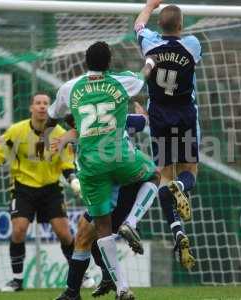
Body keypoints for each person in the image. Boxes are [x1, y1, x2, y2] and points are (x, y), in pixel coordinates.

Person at [45, 41, 159, 300]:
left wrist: (53, 136)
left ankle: (113, 286)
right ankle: (129, 229)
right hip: (119, 161)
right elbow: (143, 79)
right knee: (153, 175)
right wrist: (151, 61)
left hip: (93, 169)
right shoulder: (121, 83)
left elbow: (52, 119)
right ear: (109, 63)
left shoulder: (69, 89)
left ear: (85, 62)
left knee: (96, 229)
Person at [0, 92, 81, 292]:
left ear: (51, 107)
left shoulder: (59, 133)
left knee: (64, 234)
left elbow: (66, 162)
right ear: (31, 107)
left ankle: (81, 275)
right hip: (23, 188)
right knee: (19, 229)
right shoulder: (16, 130)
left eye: (46, 103)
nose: (42, 106)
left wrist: (73, 179)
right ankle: (17, 280)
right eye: (38, 103)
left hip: (51, 188)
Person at [52, 113, 155, 300]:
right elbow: (141, 121)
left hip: (116, 194)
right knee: (85, 236)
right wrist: (145, 114)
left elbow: (75, 134)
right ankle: (99, 282)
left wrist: (65, 138)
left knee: (88, 236)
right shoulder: (115, 119)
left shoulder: (87, 139)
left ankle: (109, 288)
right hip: (126, 183)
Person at [134, 0, 202, 269]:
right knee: (189, 171)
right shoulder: (192, 45)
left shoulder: (148, 42)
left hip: (159, 117)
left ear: (159, 25)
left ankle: (177, 232)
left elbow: (138, 25)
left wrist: (150, 5)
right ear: (181, 26)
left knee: (164, 176)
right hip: (184, 114)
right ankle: (181, 187)